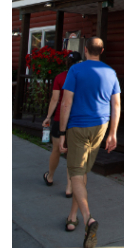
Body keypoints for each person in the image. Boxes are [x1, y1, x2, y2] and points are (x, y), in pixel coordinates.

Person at [58, 36, 120, 248]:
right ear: (101, 50)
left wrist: (62, 132)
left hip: (78, 126)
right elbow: (116, 104)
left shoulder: (75, 70)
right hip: (101, 127)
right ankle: (72, 216)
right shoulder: (111, 73)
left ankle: (87, 219)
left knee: (75, 173)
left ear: (85, 50)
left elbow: (66, 103)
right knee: (82, 173)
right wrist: (113, 133)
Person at [41, 50, 79, 197]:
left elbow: (54, 99)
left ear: (66, 62)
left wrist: (48, 117)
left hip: (60, 118)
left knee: (56, 149)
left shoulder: (60, 77)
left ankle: (50, 177)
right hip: (76, 120)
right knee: (72, 153)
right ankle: (69, 187)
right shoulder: (81, 78)